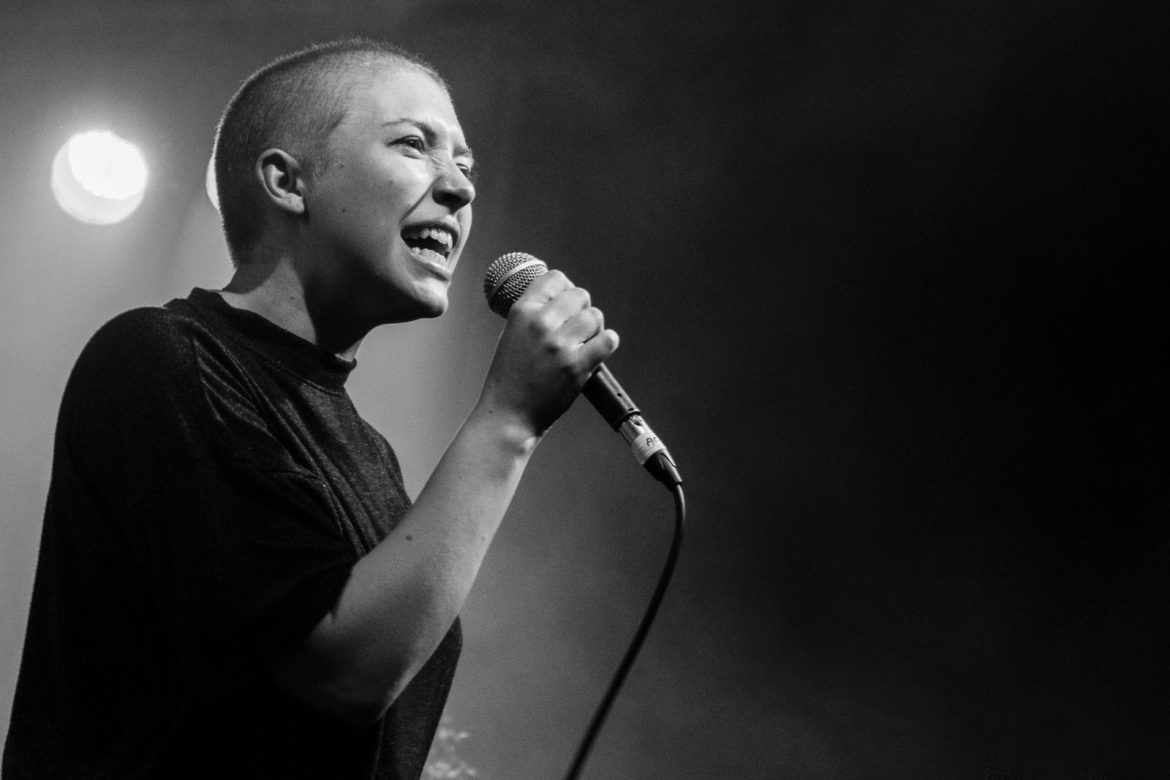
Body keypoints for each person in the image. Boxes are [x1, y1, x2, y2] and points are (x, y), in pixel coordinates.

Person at [3, 38, 617, 778]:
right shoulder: (160, 359)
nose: (459, 188)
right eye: (414, 146)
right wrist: (509, 421)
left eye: (468, 165)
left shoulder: (371, 456)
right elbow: (342, 672)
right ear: (287, 181)